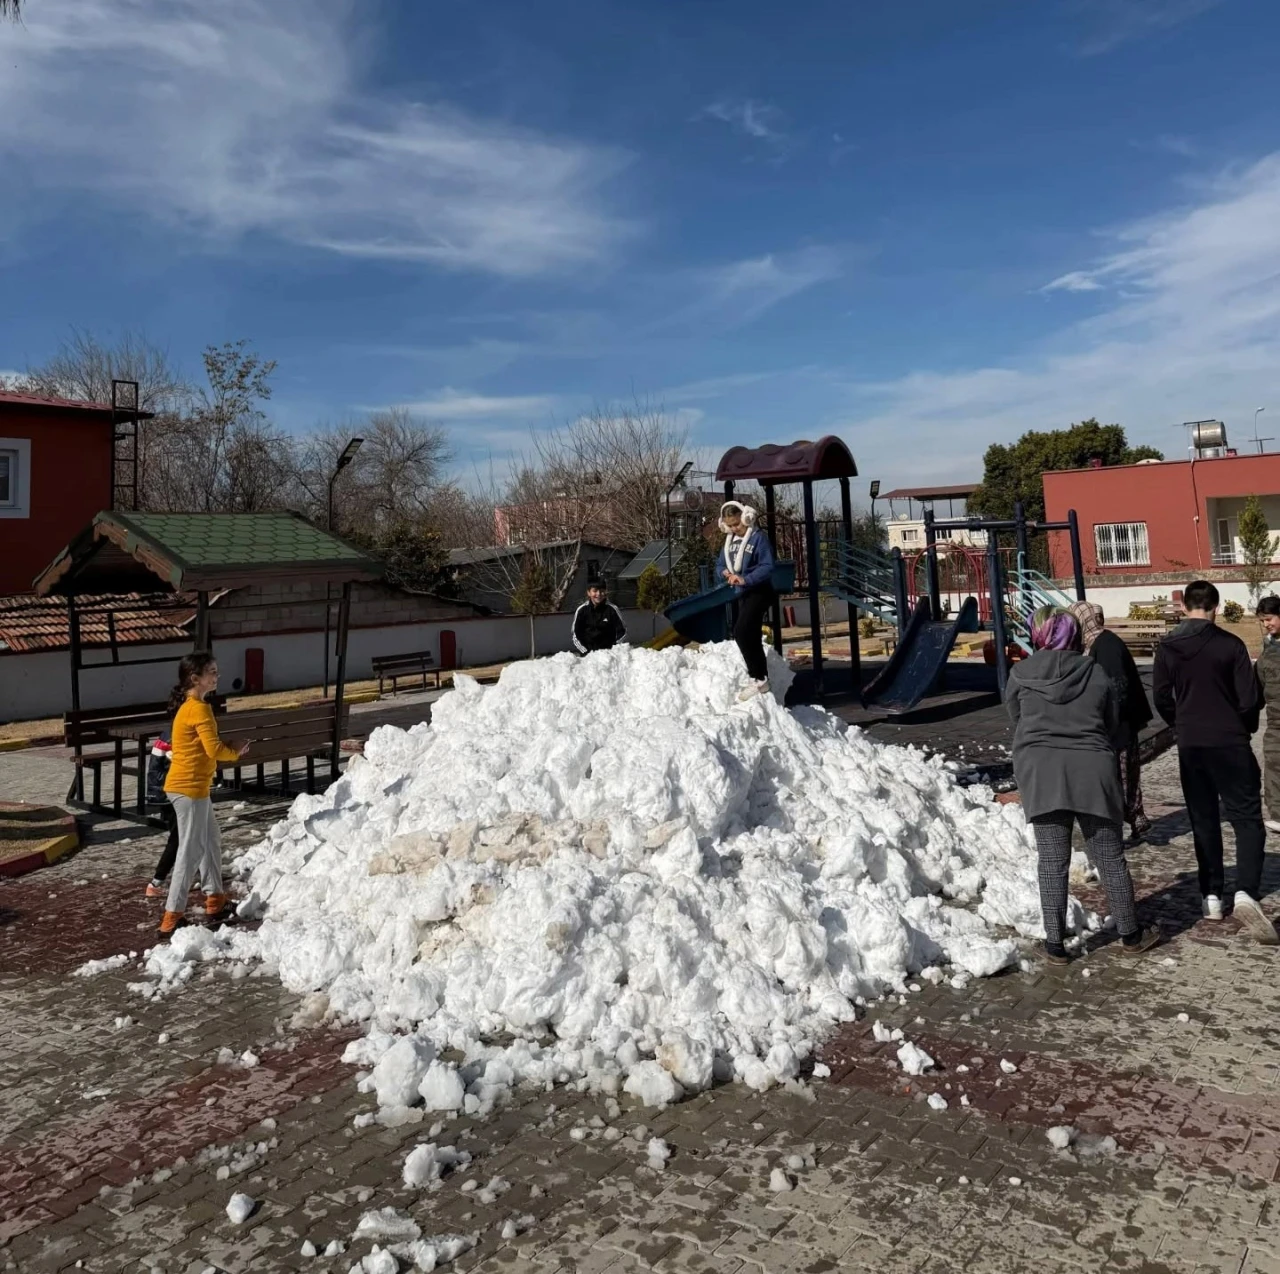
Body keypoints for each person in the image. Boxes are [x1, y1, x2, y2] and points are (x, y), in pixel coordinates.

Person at [1006, 605, 1159, 964]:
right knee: (1109, 857)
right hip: (1093, 772)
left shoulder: (1020, 674)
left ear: (1037, 634)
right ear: (1073, 635)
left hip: (1042, 774)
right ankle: (1131, 935)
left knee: (1052, 862)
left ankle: (1055, 945)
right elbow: (1111, 720)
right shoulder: (1095, 673)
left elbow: (1015, 716)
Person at [1153, 580, 1275, 942]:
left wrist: (1181, 723)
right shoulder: (1231, 645)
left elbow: (1161, 696)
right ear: (1216, 608)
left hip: (1192, 743)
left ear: (1184, 606)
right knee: (1247, 818)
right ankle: (1246, 891)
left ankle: (1211, 896)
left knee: (1203, 818)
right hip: (1230, 740)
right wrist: (1244, 726)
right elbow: (1248, 699)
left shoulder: (1168, 647)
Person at [159, 652, 249, 937]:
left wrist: (228, 746)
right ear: (194, 678)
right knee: (190, 851)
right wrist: (236, 751)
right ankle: (171, 918)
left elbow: (204, 747)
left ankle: (215, 900)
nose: (217, 676)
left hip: (193, 787)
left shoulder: (192, 707)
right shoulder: (198, 709)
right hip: (188, 789)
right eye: (211, 671)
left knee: (210, 840)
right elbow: (214, 750)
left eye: (216, 670)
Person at [1068, 600, 1154, 843]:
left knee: (1119, 777)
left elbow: (1117, 687)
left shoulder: (1106, 645)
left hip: (1118, 725)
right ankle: (1132, 820)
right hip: (1114, 723)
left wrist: (1107, 721)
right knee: (1121, 776)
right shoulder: (1095, 642)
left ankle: (1123, 824)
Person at [719, 500, 777, 700]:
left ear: (746, 517)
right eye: (730, 525)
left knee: (741, 631)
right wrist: (725, 573)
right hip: (742, 593)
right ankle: (761, 680)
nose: (734, 528)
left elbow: (768, 565)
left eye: (737, 523)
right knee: (750, 634)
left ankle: (758, 677)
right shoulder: (729, 542)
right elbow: (719, 564)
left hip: (760, 590)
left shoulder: (758, 538)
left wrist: (746, 579)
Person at [1254, 595, 1280, 834]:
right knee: (1274, 764)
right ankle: (1278, 815)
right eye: (1263, 620)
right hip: (1276, 722)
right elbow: (1258, 687)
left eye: (1269, 619)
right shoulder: (1267, 650)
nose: (1266, 624)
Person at [571, 581, 628, 654]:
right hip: (588, 656)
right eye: (595, 591)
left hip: (609, 655)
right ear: (589, 593)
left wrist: (614, 648)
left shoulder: (612, 609)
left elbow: (622, 631)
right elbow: (576, 634)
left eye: (602, 591)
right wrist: (585, 651)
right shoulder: (582, 610)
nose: (598, 594)